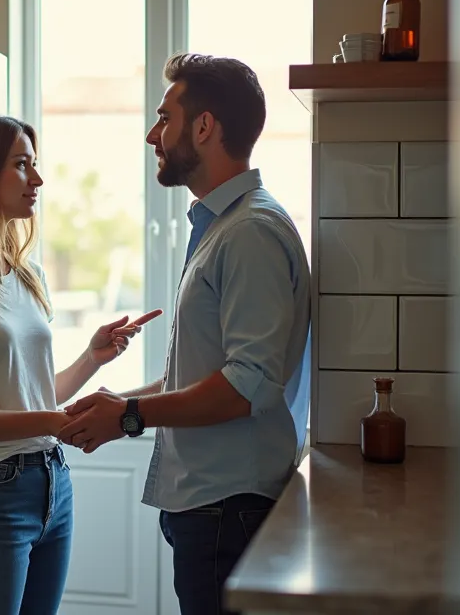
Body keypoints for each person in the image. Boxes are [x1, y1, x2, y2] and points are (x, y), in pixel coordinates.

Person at [58, 53, 312, 615]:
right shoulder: (225, 226)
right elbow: (204, 374)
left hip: (228, 508)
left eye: (164, 118)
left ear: (204, 127)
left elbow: (247, 385)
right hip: (215, 508)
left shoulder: (249, 233)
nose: (153, 135)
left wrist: (129, 415)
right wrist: (118, 402)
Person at [0, 113, 162, 615]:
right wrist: (52, 422)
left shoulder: (27, 273)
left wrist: (92, 358)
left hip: (52, 483)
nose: (38, 180)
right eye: (22, 165)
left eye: (35, 164)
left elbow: (33, 394)